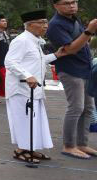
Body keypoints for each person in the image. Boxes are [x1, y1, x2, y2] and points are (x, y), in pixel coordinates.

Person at [5, 10, 67, 164]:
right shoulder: (22, 40)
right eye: (41, 22)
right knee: (23, 120)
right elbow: (10, 62)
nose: (45, 26)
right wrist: (27, 76)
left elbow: (37, 61)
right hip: (21, 90)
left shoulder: (35, 41)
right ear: (30, 25)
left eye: (45, 22)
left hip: (33, 89)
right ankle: (21, 150)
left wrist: (56, 55)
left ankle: (30, 148)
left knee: (34, 120)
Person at [47, 0, 97, 159]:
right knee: (76, 108)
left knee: (88, 108)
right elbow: (71, 49)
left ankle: (82, 144)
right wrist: (89, 31)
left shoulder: (73, 20)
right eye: (66, 3)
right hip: (70, 69)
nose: (71, 6)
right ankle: (69, 145)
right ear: (56, 6)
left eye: (74, 2)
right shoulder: (55, 25)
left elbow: (83, 42)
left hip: (85, 68)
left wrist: (87, 33)